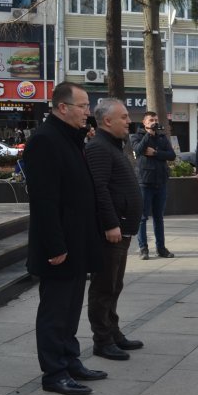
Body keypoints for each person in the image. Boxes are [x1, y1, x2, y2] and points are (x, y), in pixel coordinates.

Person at [23, 82, 105, 395]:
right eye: (83, 106)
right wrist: (56, 245)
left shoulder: (70, 138)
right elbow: (44, 201)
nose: (88, 112)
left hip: (77, 242)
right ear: (62, 108)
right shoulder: (45, 141)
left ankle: (70, 361)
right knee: (55, 312)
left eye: (88, 106)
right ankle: (54, 373)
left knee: (70, 309)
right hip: (58, 247)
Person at [85, 99, 146, 362]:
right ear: (107, 121)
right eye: (123, 117)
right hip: (112, 230)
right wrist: (111, 224)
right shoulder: (98, 148)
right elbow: (99, 189)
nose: (128, 121)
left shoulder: (114, 146)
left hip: (123, 228)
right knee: (104, 287)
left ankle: (114, 332)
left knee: (115, 285)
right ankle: (103, 340)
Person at [131, 111, 176, 260]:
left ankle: (161, 248)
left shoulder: (162, 137)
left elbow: (171, 155)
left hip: (161, 181)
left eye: (156, 120)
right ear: (144, 122)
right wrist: (148, 134)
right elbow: (138, 150)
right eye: (151, 120)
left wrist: (156, 153)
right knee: (142, 217)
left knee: (159, 217)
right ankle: (143, 248)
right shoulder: (136, 136)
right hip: (145, 182)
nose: (154, 122)